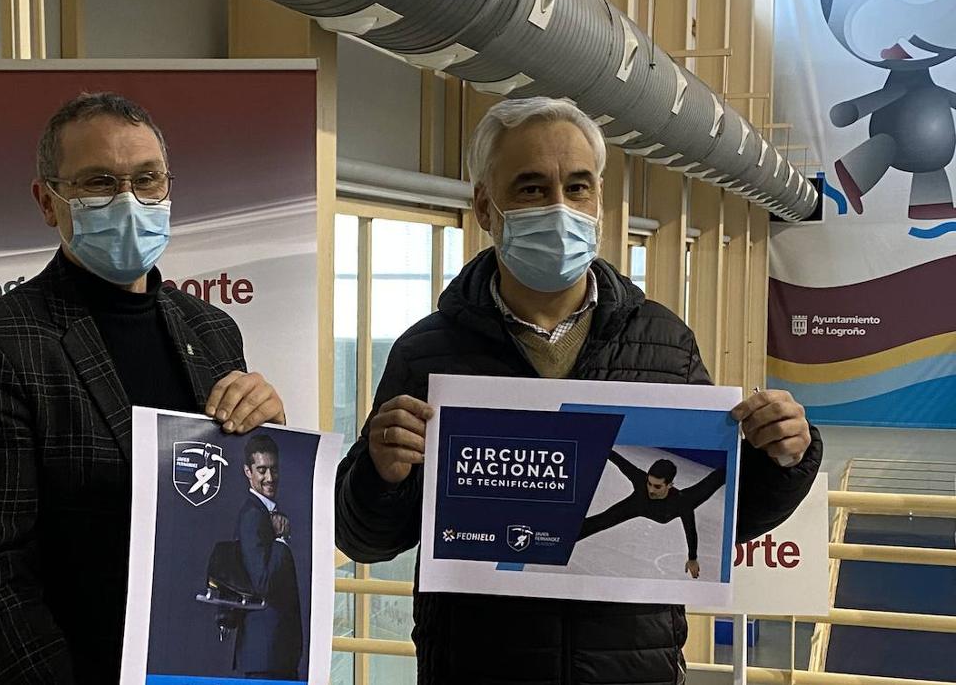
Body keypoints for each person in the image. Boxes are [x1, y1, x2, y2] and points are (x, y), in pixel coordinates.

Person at [334, 97, 823, 684]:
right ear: (486, 206)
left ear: (598, 202)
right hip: (479, 668)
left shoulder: (664, 341)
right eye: (532, 188)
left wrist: (783, 457)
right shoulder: (427, 352)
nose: (560, 207)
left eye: (578, 186)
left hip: (630, 671)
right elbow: (363, 537)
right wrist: (382, 475)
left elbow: (725, 514)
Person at [0, 92, 287, 684]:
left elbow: (217, 507)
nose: (128, 200)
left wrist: (266, 432)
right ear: (48, 201)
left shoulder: (213, 331)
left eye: (147, 179)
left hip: (193, 662)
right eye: (98, 183)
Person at [577, 452, 727, 579]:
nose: (651, 490)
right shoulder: (641, 482)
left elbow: (690, 530)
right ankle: (566, 535)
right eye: (649, 483)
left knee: (715, 480)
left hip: (672, 507)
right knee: (602, 520)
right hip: (638, 505)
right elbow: (619, 461)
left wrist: (692, 558)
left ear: (669, 485)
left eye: (657, 486)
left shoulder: (682, 502)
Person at [234, 433, 303, 679]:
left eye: (274, 469)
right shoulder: (253, 515)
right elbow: (262, 583)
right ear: (247, 472)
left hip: (274, 652)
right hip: (266, 654)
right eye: (261, 470)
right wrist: (281, 540)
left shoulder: (265, 512)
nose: (269, 478)